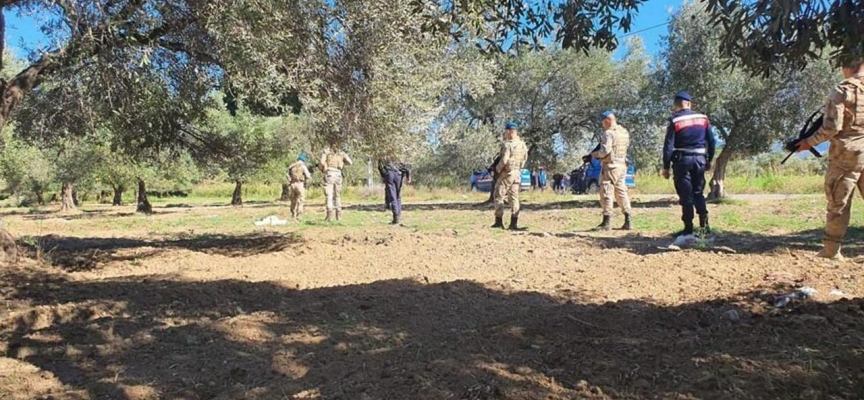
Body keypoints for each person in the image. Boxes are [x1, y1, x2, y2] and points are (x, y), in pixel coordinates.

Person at [791, 59, 864, 260]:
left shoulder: (843, 89)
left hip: (846, 155)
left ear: (847, 65)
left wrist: (808, 143)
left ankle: (831, 251)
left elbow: (832, 127)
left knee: (837, 201)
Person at [662, 91, 716, 236]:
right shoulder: (703, 119)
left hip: (682, 161)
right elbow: (711, 141)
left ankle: (688, 229)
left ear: (676, 105)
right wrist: (710, 159)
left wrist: (666, 167)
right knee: (698, 193)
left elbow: (668, 146)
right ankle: (704, 227)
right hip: (700, 159)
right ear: (689, 103)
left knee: (686, 195)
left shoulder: (675, 120)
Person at [587, 110, 632, 230]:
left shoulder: (608, 134)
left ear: (607, 120)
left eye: (602, 122)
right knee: (621, 192)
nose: (602, 125)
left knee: (606, 192)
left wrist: (594, 155)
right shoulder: (624, 132)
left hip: (610, 166)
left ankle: (607, 221)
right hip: (622, 165)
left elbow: (604, 151)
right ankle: (628, 219)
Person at [492, 121, 529, 230]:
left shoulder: (508, 144)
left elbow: (504, 160)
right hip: (517, 173)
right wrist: (520, 168)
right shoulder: (522, 145)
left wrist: (497, 170)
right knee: (514, 198)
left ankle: (498, 222)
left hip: (506, 173)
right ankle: (514, 223)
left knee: (499, 195)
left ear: (508, 131)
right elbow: (525, 158)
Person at [319, 143, 353, 221]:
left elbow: (321, 163)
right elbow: (350, 162)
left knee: (329, 195)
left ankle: (329, 216)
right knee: (337, 196)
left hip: (329, 174)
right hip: (338, 174)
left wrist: (322, 167)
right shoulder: (341, 153)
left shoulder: (327, 152)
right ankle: (339, 216)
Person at [378, 158, 412, 225]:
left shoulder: (384, 154)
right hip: (399, 174)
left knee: (393, 196)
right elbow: (407, 164)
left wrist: (383, 176)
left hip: (389, 174)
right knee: (398, 196)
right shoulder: (399, 154)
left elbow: (380, 166)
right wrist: (408, 175)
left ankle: (396, 217)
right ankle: (398, 216)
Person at [287, 154, 312, 220]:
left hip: (292, 184)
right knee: (300, 200)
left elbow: (287, 175)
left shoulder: (291, 166)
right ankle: (299, 215)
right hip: (300, 184)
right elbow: (308, 176)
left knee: (293, 200)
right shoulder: (303, 166)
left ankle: (293, 214)